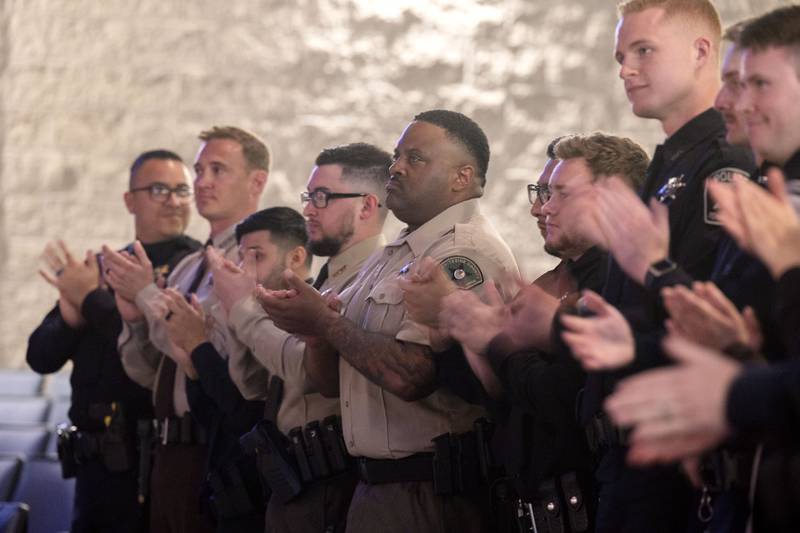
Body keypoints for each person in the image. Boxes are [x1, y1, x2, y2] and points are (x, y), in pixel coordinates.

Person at [256, 109, 519, 533]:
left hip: (429, 492)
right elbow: (330, 383)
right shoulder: (393, 253)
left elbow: (413, 376)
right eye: (397, 155)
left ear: (461, 177)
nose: (394, 167)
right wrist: (314, 326)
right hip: (372, 487)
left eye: (415, 158)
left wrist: (325, 324)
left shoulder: (464, 253)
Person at [576, 1, 756, 531]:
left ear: (702, 51)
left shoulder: (725, 162)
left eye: (643, 51)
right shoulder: (671, 160)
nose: (625, 70)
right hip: (630, 453)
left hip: (682, 453)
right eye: (620, 56)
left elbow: (715, 309)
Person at [429, 133, 648, 533]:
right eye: (542, 191)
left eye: (558, 192)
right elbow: (506, 406)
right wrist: (458, 332)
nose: (540, 207)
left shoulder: (624, 283)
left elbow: (565, 402)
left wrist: (496, 341)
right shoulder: (552, 282)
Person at [212, 143, 392, 533]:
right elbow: (254, 387)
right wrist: (238, 311)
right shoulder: (326, 278)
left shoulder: (373, 281)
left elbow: (306, 372)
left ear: (366, 206)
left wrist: (243, 310)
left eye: (322, 197)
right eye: (309, 196)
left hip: (327, 478)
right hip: (290, 474)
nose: (309, 208)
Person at [27, 150, 201, 533]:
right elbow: (40, 357)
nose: (173, 201)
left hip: (159, 458)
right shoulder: (104, 268)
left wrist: (93, 301)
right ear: (129, 200)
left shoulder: (197, 270)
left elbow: (162, 356)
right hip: (97, 464)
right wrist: (71, 319)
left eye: (181, 190)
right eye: (159, 190)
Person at [107, 126, 269, 533]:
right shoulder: (189, 264)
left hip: (211, 442)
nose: (202, 182)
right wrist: (133, 318)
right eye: (199, 170)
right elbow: (155, 372)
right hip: (168, 448)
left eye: (218, 169)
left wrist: (145, 294)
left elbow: (209, 348)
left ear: (257, 182)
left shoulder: (254, 258)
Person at [159, 207, 314, 532]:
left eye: (256, 256)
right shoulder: (250, 314)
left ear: (296, 257)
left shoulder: (300, 317)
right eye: (241, 257)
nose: (244, 270)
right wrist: (191, 361)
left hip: (273, 494)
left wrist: (200, 345)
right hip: (230, 491)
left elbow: (246, 416)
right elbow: (213, 416)